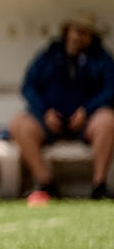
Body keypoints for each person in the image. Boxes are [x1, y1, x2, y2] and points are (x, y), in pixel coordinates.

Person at [9, 14, 113, 202]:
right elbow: (28, 86)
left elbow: (110, 89)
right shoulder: (49, 55)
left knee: (108, 121)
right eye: (77, 31)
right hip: (49, 120)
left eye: (85, 33)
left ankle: (99, 186)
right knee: (19, 124)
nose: (79, 37)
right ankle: (46, 184)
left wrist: (86, 110)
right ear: (68, 31)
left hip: (86, 122)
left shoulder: (101, 58)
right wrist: (44, 112)